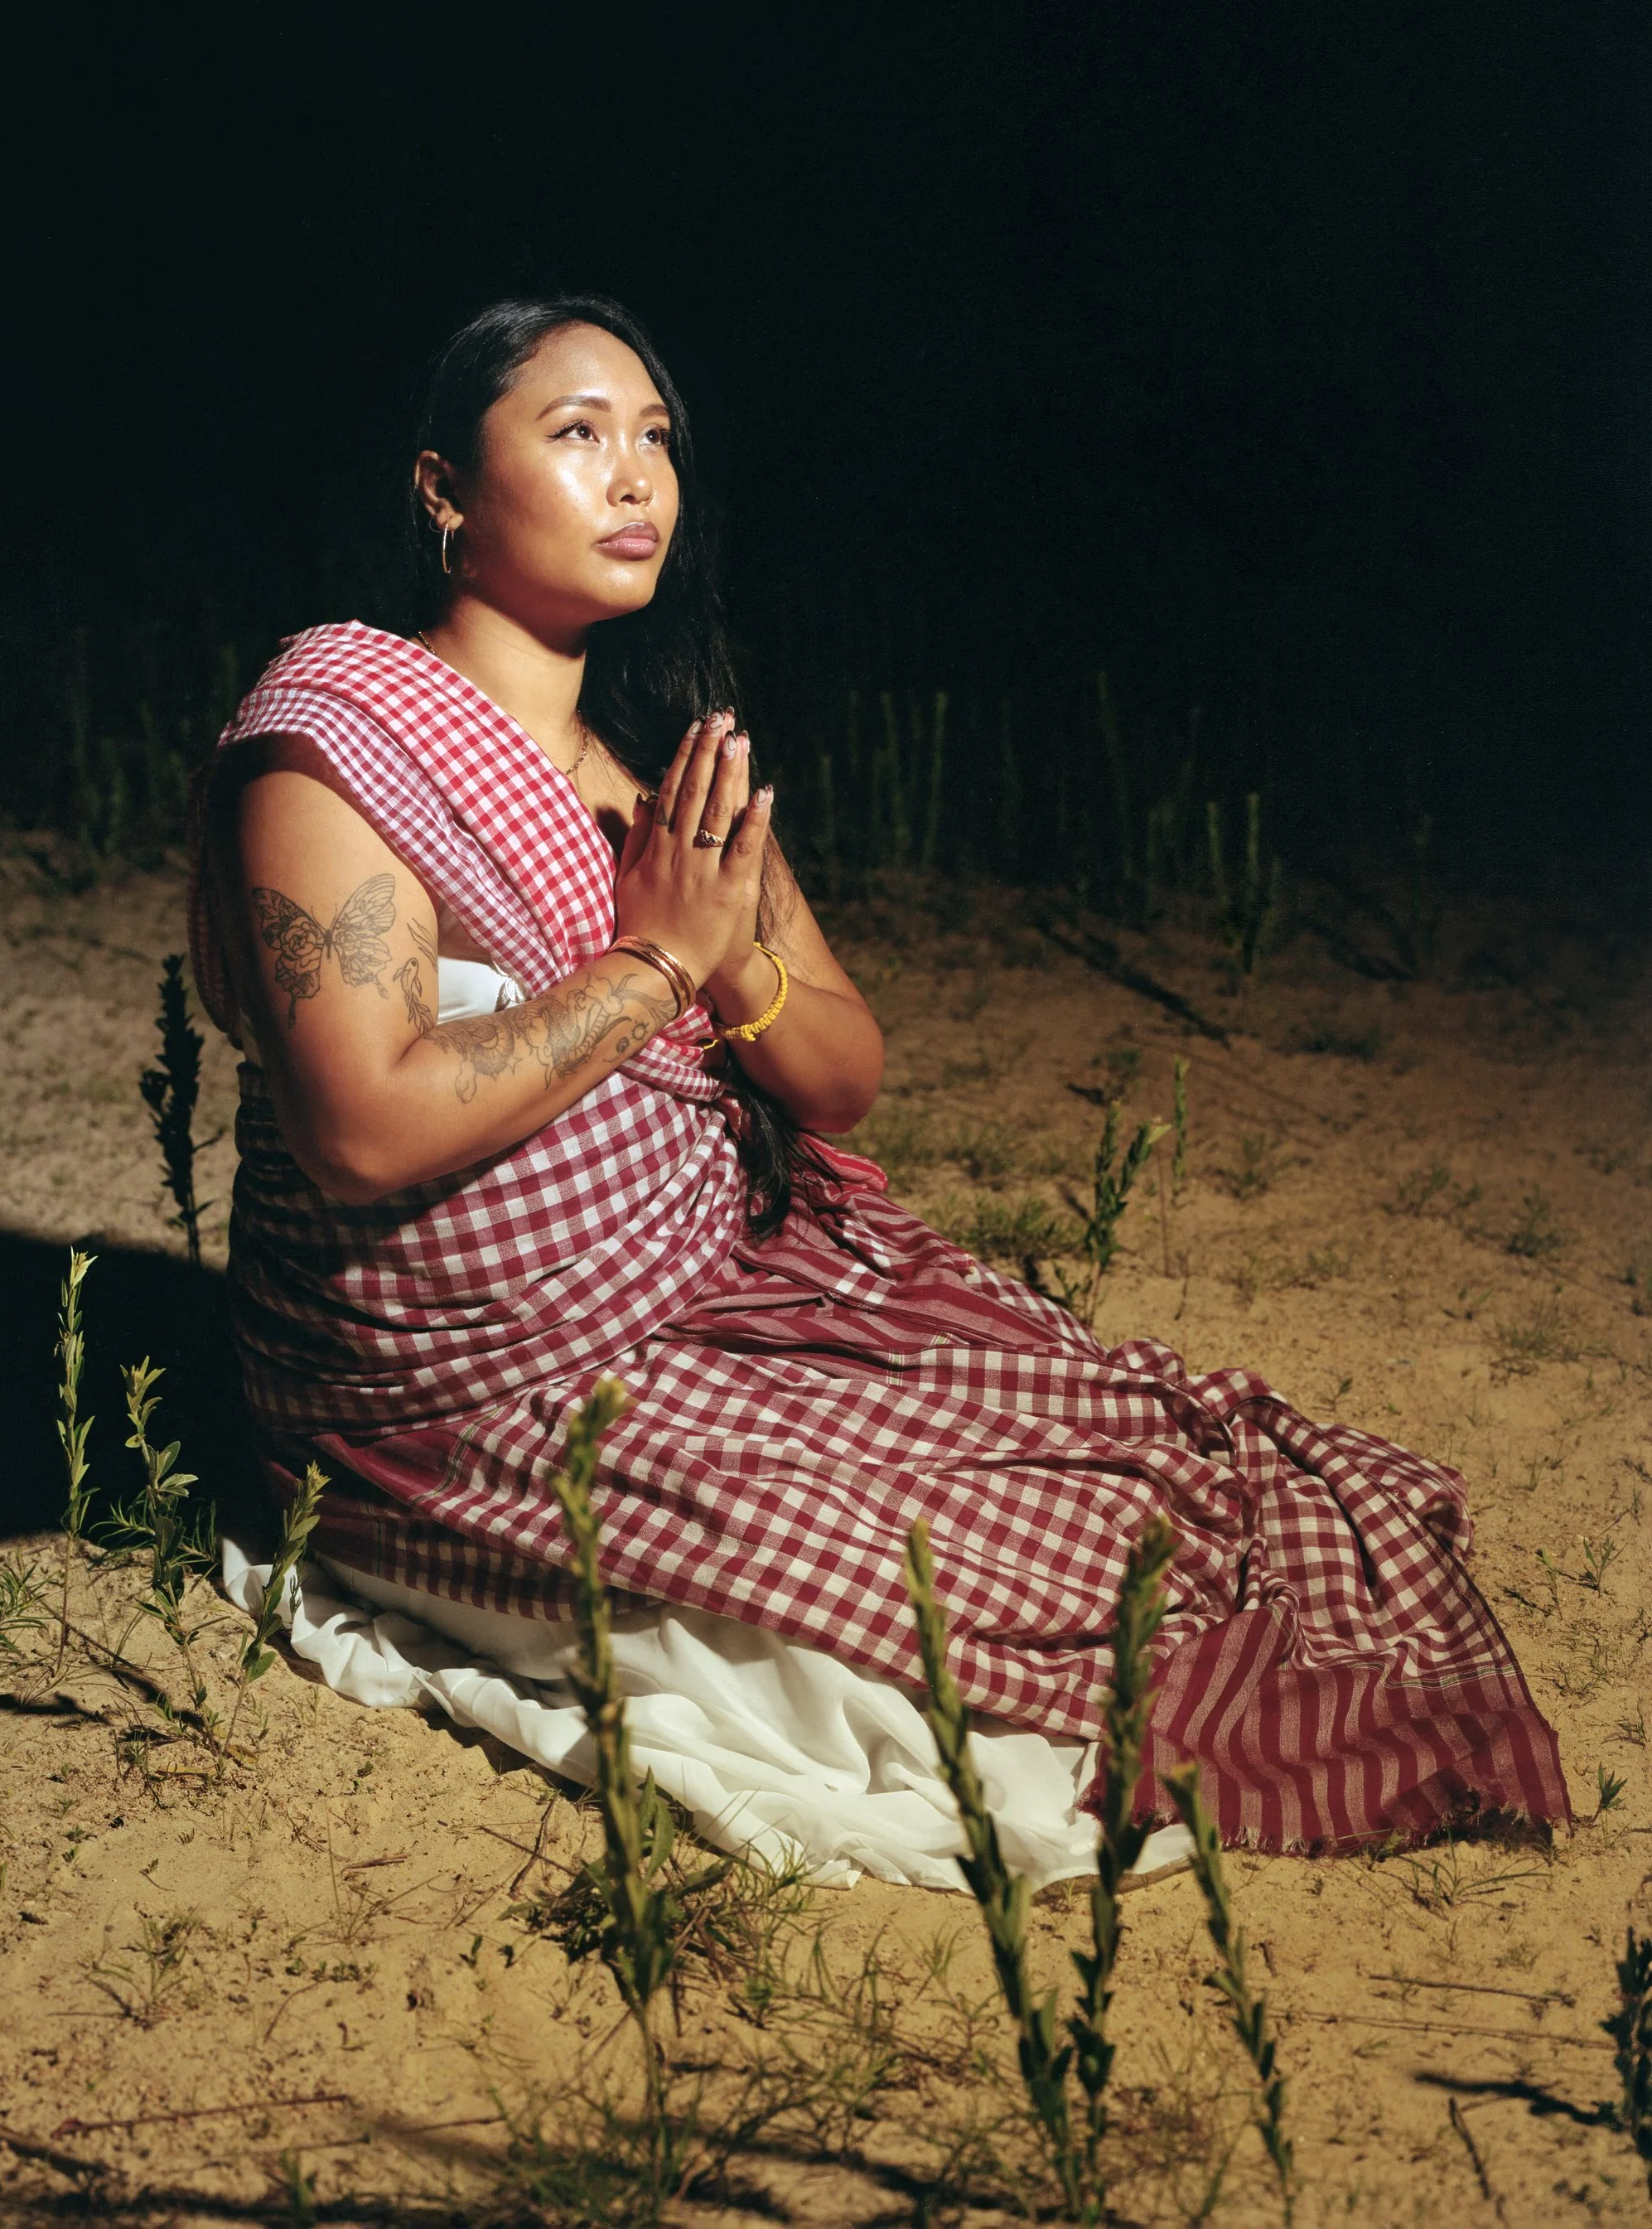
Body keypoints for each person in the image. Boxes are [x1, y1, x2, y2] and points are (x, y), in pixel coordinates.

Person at [190, 294, 1564, 1875]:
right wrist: (656, 960)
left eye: (656, 439)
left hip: (707, 1288)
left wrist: (726, 958)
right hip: (461, 1388)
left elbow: (842, 1074)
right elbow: (360, 1128)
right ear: (444, 488)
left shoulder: (658, 767)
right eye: (577, 433)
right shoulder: (345, 737)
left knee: (1139, 1488)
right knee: (984, 1595)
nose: (635, 477)